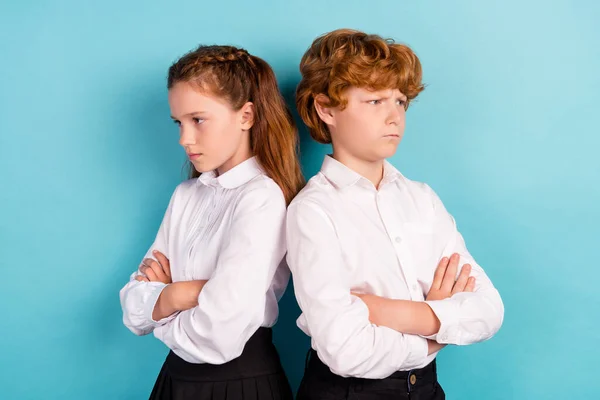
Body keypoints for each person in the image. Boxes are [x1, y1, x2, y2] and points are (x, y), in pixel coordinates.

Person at [287, 29, 504, 400]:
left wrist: (386, 311)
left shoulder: (422, 199)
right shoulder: (313, 210)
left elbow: (488, 310)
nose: (394, 117)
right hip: (346, 393)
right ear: (326, 109)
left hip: (427, 389)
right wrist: (438, 329)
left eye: (400, 101)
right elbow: (346, 350)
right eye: (374, 101)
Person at [120, 44, 303, 400]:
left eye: (198, 120)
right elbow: (132, 306)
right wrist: (183, 293)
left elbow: (219, 333)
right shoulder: (186, 195)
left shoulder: (261, 197)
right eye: (180, 123)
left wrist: (165, 302)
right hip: (175, 381)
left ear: (246, 116)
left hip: (238, 384)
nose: (184, 139)